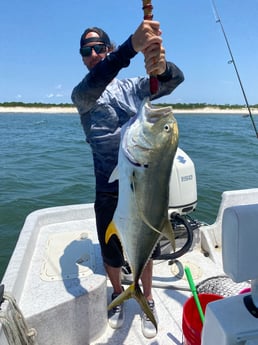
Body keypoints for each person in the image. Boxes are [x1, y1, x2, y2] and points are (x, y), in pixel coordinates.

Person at [71, 20, 184, 338]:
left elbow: (174, 80)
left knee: (144, 247)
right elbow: (100, 76)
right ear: (83, 58)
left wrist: (161, 67)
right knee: (110, 253)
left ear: (106, 48)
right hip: (107, 188)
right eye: (86, 50)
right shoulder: (83, 95)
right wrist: (129, 47)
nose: (93, 54)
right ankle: (119, 294)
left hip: (143, 183)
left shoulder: (135, 87)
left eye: (98, 48)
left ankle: (146, 296)